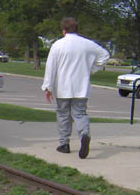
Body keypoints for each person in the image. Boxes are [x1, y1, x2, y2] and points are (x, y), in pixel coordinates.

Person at [42, 17, 109, 159]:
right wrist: (93, 69)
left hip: (62, 87)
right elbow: (105, 55)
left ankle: (64, 144)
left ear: (63, 30)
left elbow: (51, 67)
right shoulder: (87, 44)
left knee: (63, 115)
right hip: (81, 87)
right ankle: (84, 134)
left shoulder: (58, 45)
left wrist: (48, 87)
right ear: (77, 30)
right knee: (80, 114)